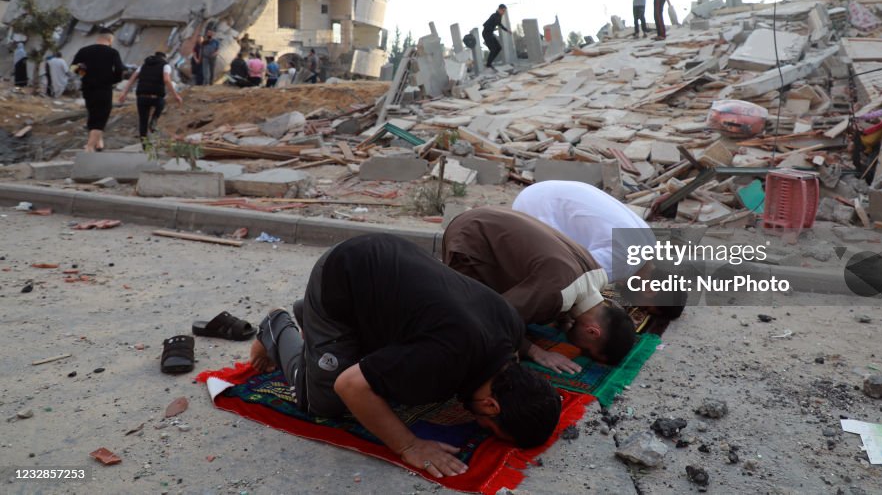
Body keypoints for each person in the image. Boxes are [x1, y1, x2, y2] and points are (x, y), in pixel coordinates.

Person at [249, 234, 561, 478]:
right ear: (492, 404)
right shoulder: (445, 357)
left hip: (387, 267)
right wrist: (409, 445)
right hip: (342, 274)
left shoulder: (509, 328)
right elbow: (350, 385)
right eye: (488, 426)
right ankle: (277, 326)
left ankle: (313, 319)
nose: (477, 423)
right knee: (322, 402)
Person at [442, 207, 637, 374]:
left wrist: (562, 318)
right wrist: (537, 352)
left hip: (489, 217)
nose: (578, 350)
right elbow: (496, 318)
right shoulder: (557, 293)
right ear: (593, 332)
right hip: (470, 237)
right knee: (471, 321)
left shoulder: (596, 273)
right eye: (585, 350)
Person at [512, 181, 685, 320]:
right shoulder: (621, 263)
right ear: (649, 290)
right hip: (533, 210)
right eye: (644, 306)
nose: (636, 307)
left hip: (546, 190)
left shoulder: (649, 242)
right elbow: (570, 281)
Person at [70, 26, 126, 152]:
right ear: (110, 40)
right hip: (104, 88)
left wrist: (86, 75)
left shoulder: (84, 50)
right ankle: (90, 146)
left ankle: (99, 142)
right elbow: (120, 70)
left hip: (87, 88)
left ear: (98, 38)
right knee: (101, 116)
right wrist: (113, 80)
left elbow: (73, 68)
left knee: (93, 113)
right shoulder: (112, 52)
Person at [117, 51, 183, 141]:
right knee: (161, 103)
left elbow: (132, 78)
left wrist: (124, 93)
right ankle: (153, 121)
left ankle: (145, 146)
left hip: (142, 96)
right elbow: (167, 79)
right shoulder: (165, 65)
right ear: (164, 58)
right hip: (156, 96)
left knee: (143, 121)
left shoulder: (143, 65)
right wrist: (176, 95)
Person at [481, 4, 511, 70]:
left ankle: (489, 63)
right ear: (499, 9)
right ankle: (488, 65)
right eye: (503, 11)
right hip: (486, 34)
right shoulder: (494, 16)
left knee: (498, 48)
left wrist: (507, 30)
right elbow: (484, 24)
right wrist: (492, 28)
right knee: (493, 49)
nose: (504, 12)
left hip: (490, 34)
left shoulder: (499, 16)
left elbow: (500, 24)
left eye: (504, 11)